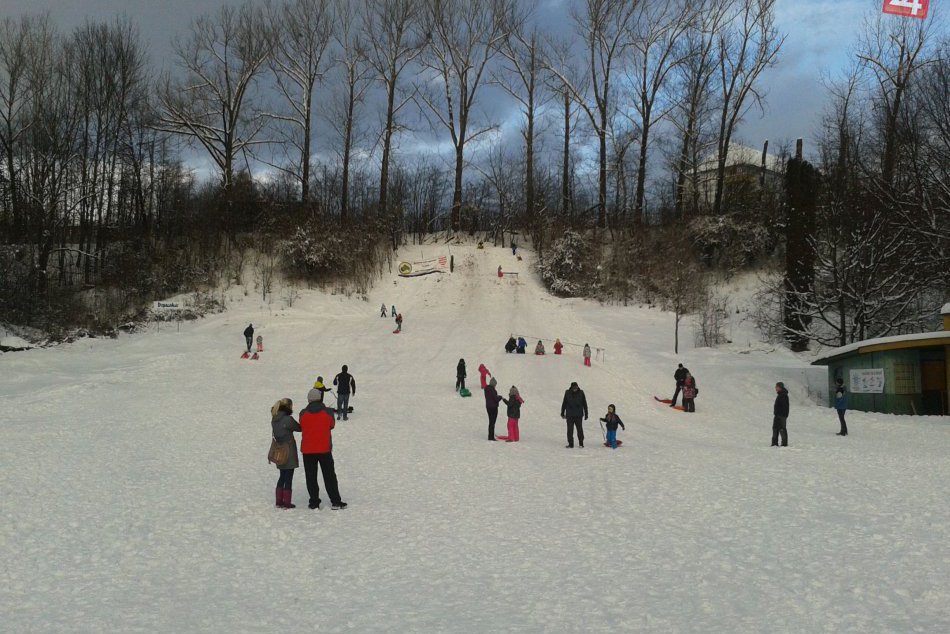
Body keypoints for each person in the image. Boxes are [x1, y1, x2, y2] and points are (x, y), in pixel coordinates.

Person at [299, 388, 346, 510]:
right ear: (320, 398)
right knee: (329, 475)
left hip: (308, 450)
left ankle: (314, 502)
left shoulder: (303, 413)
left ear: (309, 399)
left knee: (311, 476)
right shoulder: (328, 412)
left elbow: (302, 425)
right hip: (324, 449)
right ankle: (335, 501)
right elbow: (332, 425)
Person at [271, 398, 301, 508]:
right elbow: (299, 428)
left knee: (282, 475)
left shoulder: (274, 419)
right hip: (289, 450)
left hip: (279, 450)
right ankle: (287, 502)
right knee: (289, 476)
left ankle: (279, 500)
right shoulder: (288, 419)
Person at [560, 381, 589, 448]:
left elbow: (584, 403)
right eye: (574, 388)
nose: (575, 389)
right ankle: (571, 444)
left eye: (576, 387)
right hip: (569, 415)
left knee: (579, 430)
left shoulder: (581, 392)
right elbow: (564, 402)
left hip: (578, 415)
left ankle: (581, 443)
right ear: (571, 387)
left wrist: (586, 413)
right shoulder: (567, 392)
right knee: (570, 430)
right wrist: (562, 412)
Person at [772, 382, 790, 447]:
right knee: (775, 428)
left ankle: (784, 444)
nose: (775, 388)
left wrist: (782, 415)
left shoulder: (783, 395)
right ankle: (774, 443)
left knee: (782, 429)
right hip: (777, 415)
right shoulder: (780, 394)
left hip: (781, 415)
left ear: (780, 387)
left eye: (776, 387)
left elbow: (785, 407)